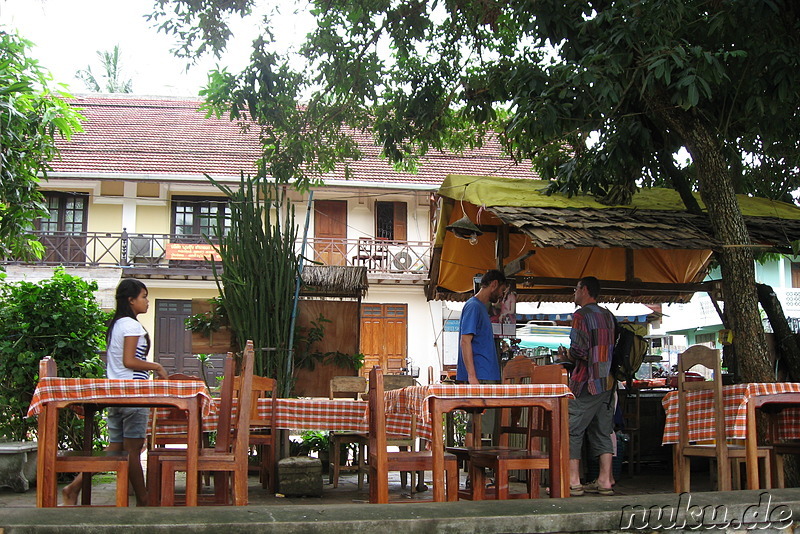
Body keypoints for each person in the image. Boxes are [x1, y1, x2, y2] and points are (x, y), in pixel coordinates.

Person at [62, 279, 168, 506]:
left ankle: (73, 489)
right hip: (132, 395)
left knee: (115, 450)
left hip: (116, 394)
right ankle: (144, 499)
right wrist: (157, 367)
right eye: (143, 296)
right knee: (133, 452)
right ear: (131, 300)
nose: (147, 301)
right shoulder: (130, 325)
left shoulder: (117, 325)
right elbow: (129, 361)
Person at [558, 276, 616, 497]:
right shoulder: (608, 315)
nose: (574, 292)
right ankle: (605, 481)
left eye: (576, 288)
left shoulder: (580, 315)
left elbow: (580, 351)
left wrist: (566, 355)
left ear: (584, 290)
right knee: (602, 430)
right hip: (607, 381)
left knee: (572, 428)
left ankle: (573, 481)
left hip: (586, 380)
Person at [456, 269, 508, 384]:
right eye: (502, 290)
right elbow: (465, 341)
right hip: (480, 376)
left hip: (485, 374)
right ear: (494, 284)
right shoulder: (473, 306)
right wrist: (472, 376)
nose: (501, 295)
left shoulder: (481, 308)